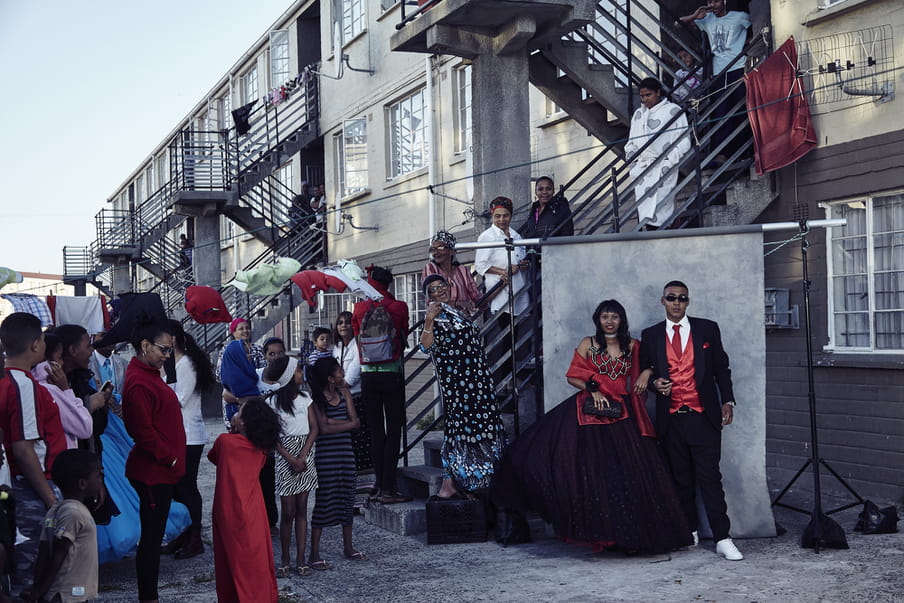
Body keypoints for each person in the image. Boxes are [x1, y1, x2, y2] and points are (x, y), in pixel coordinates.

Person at [492, 300, 693, 553]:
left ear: (622, 320)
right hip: (590, 412)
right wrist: (593, 389)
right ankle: (604, 535)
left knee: (626, 476)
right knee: (587, 473)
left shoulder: (633, 346)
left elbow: (651, 365)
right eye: (605, 316)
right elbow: (573, 375)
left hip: (623, 412)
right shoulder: (588, 344)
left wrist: (646, 373)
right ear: (598, 319)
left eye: (615, 317)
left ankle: (627, 538)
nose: (610, 321)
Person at [639, 281, 743, 560]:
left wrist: (727, 400)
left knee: (710, 478)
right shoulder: (650, 335)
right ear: (662, 301)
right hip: (670, 418)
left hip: (703, 416)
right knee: (680, 479)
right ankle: (689, 530)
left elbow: (722, 368)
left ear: (688, 302)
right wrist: (654, 385)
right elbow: (645, 370)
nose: (676, 302)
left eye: (682, 298)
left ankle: (723, 537)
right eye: (671, 298)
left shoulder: (707, 328)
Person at [419, 275, 507, 498]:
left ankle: (479, 481)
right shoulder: (436, 315)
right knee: (464, 430)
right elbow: (424, 347)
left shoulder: (458, 312)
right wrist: (429, 321)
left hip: (478, 382)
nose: (440, 291)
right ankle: (467, 483)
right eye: (433, 289)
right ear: (428, 296)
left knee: (483, 426)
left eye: (442, 286)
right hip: (458, 385)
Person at [121, 318, 186, 602]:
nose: (167, 356)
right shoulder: (137, 381)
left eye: (170, 350)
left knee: (153, 535)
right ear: (145, 346)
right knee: (151, 539)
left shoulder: (148, 373)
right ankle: (149, 597)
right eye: (164, 349)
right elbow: (140, 430)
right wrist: (169, 458)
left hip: (161, 470)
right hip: (152, 472)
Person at [0, 313, 67, 589]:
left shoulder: (6, 381)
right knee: (32, 579)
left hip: (15, 487)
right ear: (36, 344)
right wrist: (51, 500)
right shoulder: (22, 384)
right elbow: (24, 449)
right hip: (30, 489)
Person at [209, 397, 280, 603]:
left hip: (228, 507)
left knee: (229, 560)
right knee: (256, 561)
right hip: (253, 509)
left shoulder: (225, 442)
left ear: (244, 422)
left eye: (239, 413)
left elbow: (213, 457)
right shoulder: (261, 449)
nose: (235, 414)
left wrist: (232, 430)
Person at [352, 266, 411, 505]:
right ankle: (389, 487)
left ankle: (378, 484)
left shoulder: (359, 308)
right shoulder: (398, 307)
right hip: (391, 373)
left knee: (376, 431)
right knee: (394, 428)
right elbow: (403, 335)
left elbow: (357, 339)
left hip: (368, 376)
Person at [163, 320, 214, 560]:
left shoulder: (186, 364)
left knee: (186, 486)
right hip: (177, 433)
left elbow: (179, 399)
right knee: (176, 488)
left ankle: (194, 537)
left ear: (173, 339)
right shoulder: (173, 364)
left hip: (189, 434)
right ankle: (182, 534)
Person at [22, 448, 102, 603]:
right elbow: (58, 554)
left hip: (62, 593)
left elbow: (44, 551)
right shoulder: (74, 513)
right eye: (98, 475)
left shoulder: (55, 510)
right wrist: (38, 591)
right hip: (69, 594)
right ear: (82, 483)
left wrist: (38, 585)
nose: (100, 479)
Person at [307, 357, 365, 569]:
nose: (343, 374)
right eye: (340, 371)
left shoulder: (345, 394)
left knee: (347, 499)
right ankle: (314, 553)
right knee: (324, 502)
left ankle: (348, 547)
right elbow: (322, 429)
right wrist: (346, 424)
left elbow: (356, 422)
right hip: (326, 458)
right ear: (331, 378)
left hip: (346, 454)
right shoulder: (316, 399)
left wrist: (333, 422)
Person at [263, 356, 318, 577]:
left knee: (302, 510)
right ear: (288, 377)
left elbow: (314, 428)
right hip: (285, 457)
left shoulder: (306, 398)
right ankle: (285, 558)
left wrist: (303, 455)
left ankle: (301, 558)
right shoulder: (271, 402)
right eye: (297, 371)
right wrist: (290, 458)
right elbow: (273, 437)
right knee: (288, 512)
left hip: (305, 454)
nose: (301, 374)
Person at [678, 0, 751, 165]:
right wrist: (696, 15)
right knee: (721, 112)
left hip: (738, 69)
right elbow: (678, 23)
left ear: (724, 1)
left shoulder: (739, 17)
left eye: (716, 1)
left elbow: (757, 26)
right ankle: (722, 154)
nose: (713, 4)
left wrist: (748, 46)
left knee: (741, 110)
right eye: (710, 1)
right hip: (718, 73)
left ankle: (745, 152)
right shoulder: (707, 19)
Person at [475, 197, 530, 390]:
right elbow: (481, 265)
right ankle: (506, 380)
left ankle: (511, 378)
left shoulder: (516, 235)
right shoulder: (487, 237)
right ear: (492, 215)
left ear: (510, 216)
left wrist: (523, 264)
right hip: (500, 293)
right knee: (506, 338)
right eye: (498, 216)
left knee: (515, 337)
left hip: (518, 291)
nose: (501, 219)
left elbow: (522, 258)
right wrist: (503, 272)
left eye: (505, 216)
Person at [623, 77, 690, 229]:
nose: (645, 99)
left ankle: (666, 231)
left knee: (662, 204)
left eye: (648, 95)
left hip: (664, 165)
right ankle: (650, 233)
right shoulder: (638, 114)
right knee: (644, 205)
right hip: (643, 168)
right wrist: (633, 162)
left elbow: (684, 141)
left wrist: (670, 161)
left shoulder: (673, 111)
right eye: (642, 96)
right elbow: (631, 142)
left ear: (658, 92)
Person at [33, 332, 92, 449]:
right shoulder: (50, 389)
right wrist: (66, 390)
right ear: (46, 360)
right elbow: (85, 427)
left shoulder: (32, 383)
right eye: (59, 358)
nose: (62, 363)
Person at [332, 311, 371, 474]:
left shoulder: (358, 345)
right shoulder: (337, 347)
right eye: (340, 322)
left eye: (347, 322)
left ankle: (366, 479)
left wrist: (333, 381)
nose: (343, 325)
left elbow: (350, 380)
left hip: (357, 399)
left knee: (360, 439)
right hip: (341, 398)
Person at [421, 231, 481, 314]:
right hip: (440, 321)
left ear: (452, 250)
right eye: (433, 249)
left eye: (440, 248)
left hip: (462, 321)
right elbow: (432, 299)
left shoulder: (463, 271)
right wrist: (456, 303)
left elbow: (477, 299)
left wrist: (502, 284)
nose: (435, 253)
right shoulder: (431, 268)